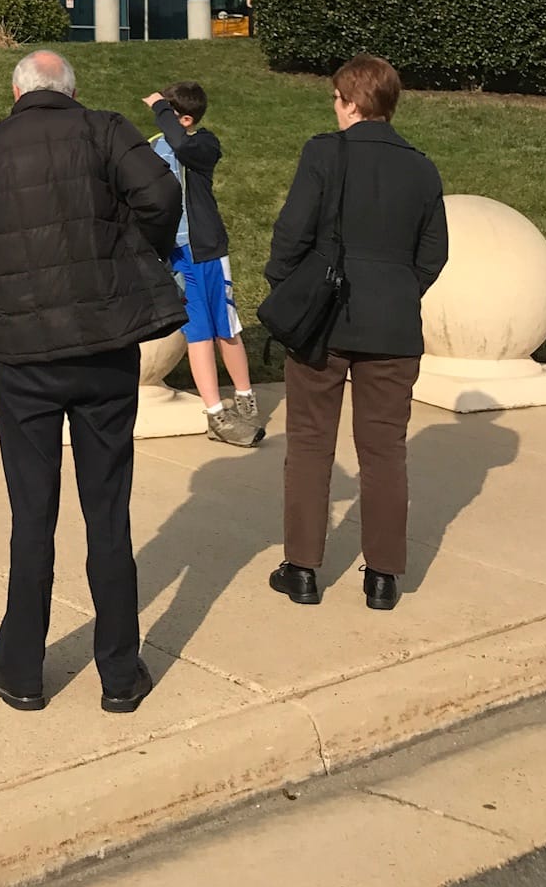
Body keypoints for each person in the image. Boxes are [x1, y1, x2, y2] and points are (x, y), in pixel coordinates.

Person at [0, 50, 184, 716]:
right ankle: (119, 672)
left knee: (32, 517)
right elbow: (163, 195)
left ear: (16, 91)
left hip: (23, 355)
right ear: (72, 91)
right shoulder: (106, 129)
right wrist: (123, 252)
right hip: (103, 346)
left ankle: (21, 670)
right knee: (107, 514)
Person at [265, 53, 448, 611]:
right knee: (385, 450)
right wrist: (395, 292)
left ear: (348, 101)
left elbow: (290, 235)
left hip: (325, 318)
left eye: (336, 99)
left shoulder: (323, 151)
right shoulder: (422, 166)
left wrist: (287, 286)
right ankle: (384, 577)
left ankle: (302, 569)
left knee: (311, 443)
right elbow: (433, 254)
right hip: (393, 325)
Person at [143, 82, 262, 447]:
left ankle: (244, 398)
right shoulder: (153, 147)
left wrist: (160, 109)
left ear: (186, 118)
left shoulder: (203, 144)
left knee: (226, 329)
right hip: (176, 256)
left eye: (168, 113)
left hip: (208, 252)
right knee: (197, 334)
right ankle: (215, 413)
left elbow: (183, 145)